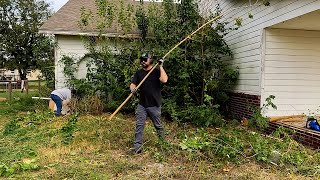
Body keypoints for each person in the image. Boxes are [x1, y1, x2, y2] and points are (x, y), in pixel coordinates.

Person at [130, 52, 168, 154]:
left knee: (158, 126)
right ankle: (137, 148)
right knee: (139, 126)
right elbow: (133, 84)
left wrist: (161, 66)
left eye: (145, 59)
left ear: (150, 60)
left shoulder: (156, 71)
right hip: (142, 105)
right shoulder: (139, 73)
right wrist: (132, 89)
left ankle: (163, 144)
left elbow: (164, 80)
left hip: (154, 105)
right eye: (141, 59)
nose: (142, 61)